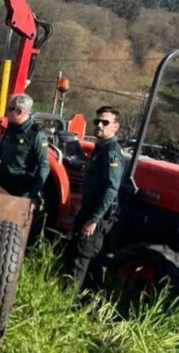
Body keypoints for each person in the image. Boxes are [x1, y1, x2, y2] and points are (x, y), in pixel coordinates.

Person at [65, 106, 124, 290]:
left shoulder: (110, 151)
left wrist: (94, 219)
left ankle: (65, 303)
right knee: (88, 260)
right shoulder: (100, 148)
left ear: (115, 127)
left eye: (105, 122)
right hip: (90, 207)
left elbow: (111, 188)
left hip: (97, 212)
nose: (99, 125)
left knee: (81, 259)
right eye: (97, 121)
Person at [0, 93, 49, 205]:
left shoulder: (36, 135)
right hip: (1, 185)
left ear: (19, 112)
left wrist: (31, 195)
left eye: (9, 109)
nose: (6, 113)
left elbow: (44, 166)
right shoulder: (11, 128)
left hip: (20, 191)